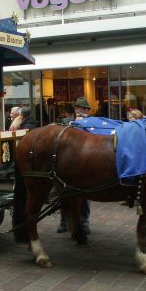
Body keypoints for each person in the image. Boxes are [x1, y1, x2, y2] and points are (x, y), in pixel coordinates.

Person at [57, 97, 92, 234]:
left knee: (85, 195)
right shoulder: (66, 121)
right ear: (75, 108)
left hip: (85, 162)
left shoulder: (92, 122)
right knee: (63, 193)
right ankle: (64, 221)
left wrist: (84, 124)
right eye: (79, 108)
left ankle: (84, 222)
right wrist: (73, 124)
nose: (82, 110)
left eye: (85, 108)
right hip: (67, 163)